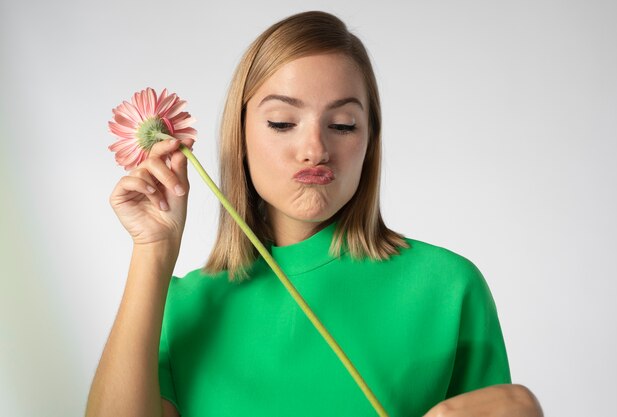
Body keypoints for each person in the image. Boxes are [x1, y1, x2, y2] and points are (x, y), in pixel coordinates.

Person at [86, 10, 543, 417]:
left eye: (343, 125)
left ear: (369, 141)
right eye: (283, 123)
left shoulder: (449, 288)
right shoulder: (179, 309)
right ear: (238, 136)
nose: (315, 150)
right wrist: (153, 251)